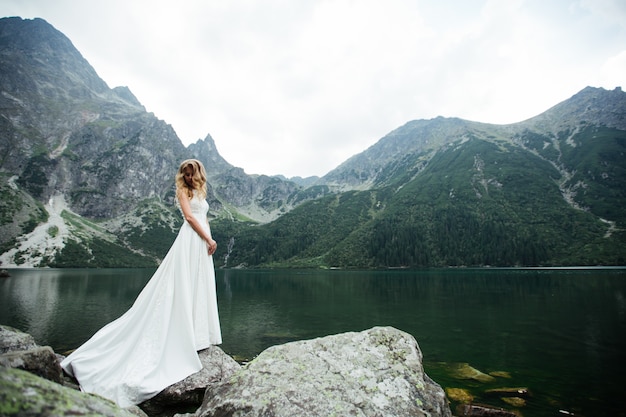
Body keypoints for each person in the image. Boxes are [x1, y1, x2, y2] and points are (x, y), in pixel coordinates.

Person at [61, 159, 222, 407]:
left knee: (197, 286)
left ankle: (198, 335)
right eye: (185, 174)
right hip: (190, 240)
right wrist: (207, 239)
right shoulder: (182, 191)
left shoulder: (200, 190)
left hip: (201, 242)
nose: (189, 178)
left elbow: (202, 216)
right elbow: (189, 218)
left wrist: (209, 240)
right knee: (182, 285)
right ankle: (183, 334)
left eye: (192, 174)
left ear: (199, 172)